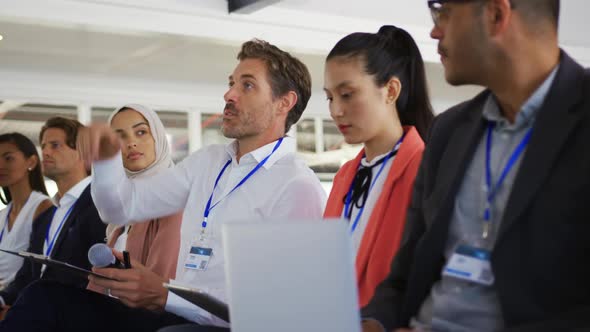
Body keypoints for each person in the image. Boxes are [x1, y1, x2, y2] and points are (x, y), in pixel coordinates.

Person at [0, 39, 326, 332]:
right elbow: (122, 207)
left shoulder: (296, 187)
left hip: (216, 324)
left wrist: (164, 294)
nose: (229, 94)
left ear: (284, 103)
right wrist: (105, 160)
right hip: (174, 312)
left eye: (247, 86)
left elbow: (284, 313)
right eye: (230, 84)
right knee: (44, 297)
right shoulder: (208, 162)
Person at [362, 0, 590, 331]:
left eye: (443, 12)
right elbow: (404, 276)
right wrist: (374, 322)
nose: (434, 30)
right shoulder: (448, 131)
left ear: (497, 15)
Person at [323, 25, 433, 308]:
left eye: (347, 94)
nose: (336, 110)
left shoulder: (426, 168)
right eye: (330, 97)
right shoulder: (346, 175)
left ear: (391, 90)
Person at [0, 117, 106, 307]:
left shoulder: (100, 206)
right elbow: (27, 275)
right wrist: (3, 300)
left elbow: (95, 276)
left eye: (55, 145)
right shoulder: (47, 216)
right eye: (44, 146)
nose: (46, 152)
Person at [87, 104, 182, 296]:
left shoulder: (174, 200)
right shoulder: (120, 206)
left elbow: (158, 289)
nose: (131, 143)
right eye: (120, 136)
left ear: (158, 138)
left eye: (141, 132)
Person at [0, 134, 52, 291]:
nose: (0, 165)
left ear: (31, 162)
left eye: (8, 158)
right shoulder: (3, 215)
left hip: (19, 299)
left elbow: (36, 270)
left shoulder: (43, 207)